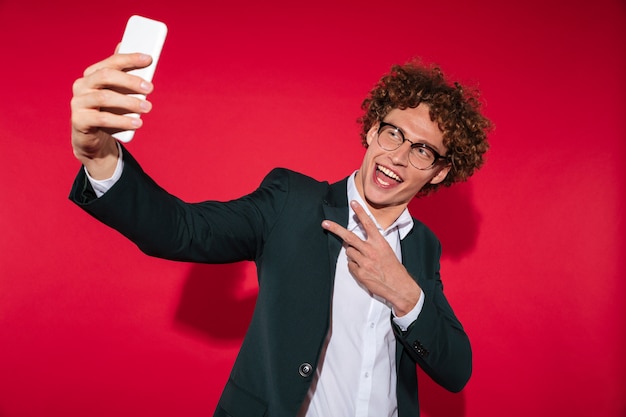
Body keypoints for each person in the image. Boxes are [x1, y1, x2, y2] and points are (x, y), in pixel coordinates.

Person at [69, 52, 491, 417]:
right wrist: (102, 158)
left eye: (421, 150)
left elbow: (456, 370)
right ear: (371, 130)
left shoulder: (422, 245)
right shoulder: (292, 202)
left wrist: (403, 293)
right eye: (393, 133)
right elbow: (182, 230)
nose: (396, 157)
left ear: (438, 171)